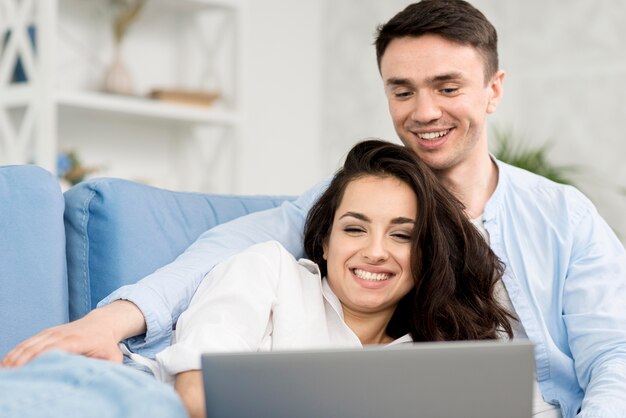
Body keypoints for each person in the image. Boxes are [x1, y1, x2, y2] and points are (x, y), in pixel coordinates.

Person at [3, 1, 626, 417]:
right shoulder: (336, 210)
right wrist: (111, 322)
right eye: (401, 89)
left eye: (447, 87)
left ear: (493, 91)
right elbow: (225, 251)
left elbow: (615, 358)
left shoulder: (564, 216)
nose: (424, 111)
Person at [143, 139, 513, 417]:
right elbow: (195, 392)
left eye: (402, 235)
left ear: (427, 256)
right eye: (355, 229)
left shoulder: (431, 358)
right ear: (324, 242)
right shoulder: (268, 272)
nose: (375, 251)